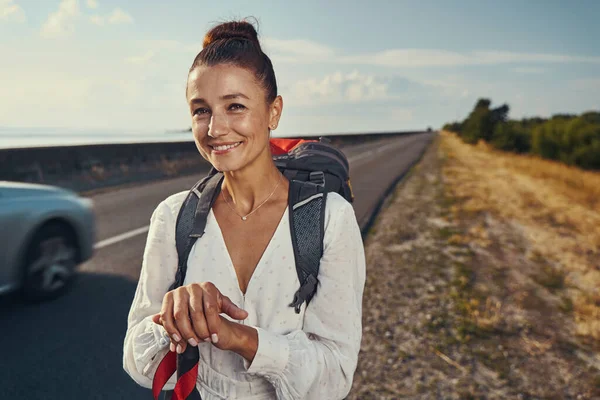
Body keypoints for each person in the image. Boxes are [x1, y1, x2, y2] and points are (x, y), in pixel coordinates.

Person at [123, 19, 366, 400]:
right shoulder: (172, 217)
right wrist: (172, 320)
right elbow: (137, 362)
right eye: (200, 110)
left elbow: (334, 376)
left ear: (273, 112)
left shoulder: (328, 219)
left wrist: (242, 339)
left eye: (235, 106)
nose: (215, 128)